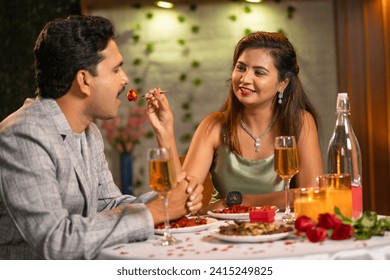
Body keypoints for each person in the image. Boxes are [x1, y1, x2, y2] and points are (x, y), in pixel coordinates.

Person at [0, 15, 203, 260]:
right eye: (116, 69)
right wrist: (153, 213)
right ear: (84, 80)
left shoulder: (89, 132)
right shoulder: (23, 136)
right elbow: (55, 241)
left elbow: (107, 204)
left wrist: (166, 201)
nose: (125, 79)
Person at [146, 31, 324, 214]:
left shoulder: (300, 122)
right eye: (241, 68)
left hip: (278, 232)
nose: (245, 79)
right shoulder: (213, 126)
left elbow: (312, 195)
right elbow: (183, 200)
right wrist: (165, 132)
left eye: (259, 72)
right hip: (219, 231)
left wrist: (237, 202)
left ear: (283, 83)